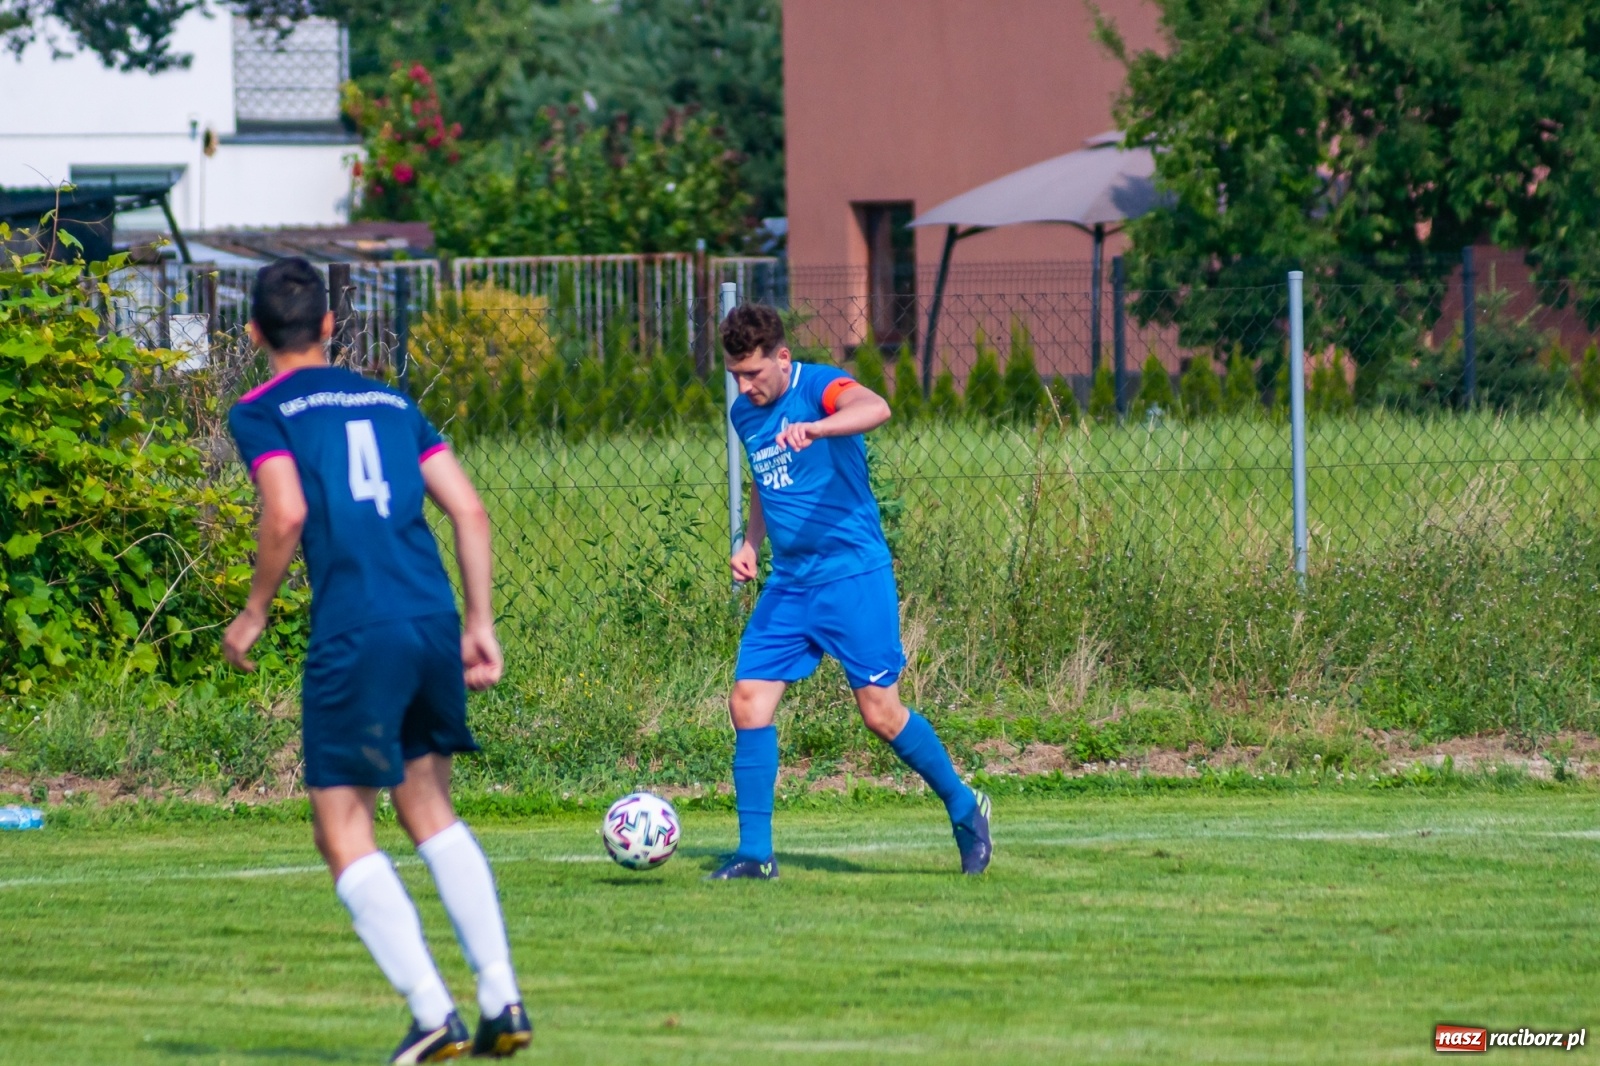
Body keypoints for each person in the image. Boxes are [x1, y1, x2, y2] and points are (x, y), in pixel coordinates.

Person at [222, 257, 532, 1063]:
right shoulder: (393, 401)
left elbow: (285, 511)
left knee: (342, 826)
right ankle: (501, 995)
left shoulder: (261, 410)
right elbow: (469, 508)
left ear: (254, 334)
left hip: (356, 629)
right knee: (430, 812)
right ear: (330, 326)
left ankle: (433, 1012)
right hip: (430, 619)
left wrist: (254, 611)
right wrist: (480, 620)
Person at [708, 303, 992, 881]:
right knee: (747, 702)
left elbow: (876, 406)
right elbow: (766, 477)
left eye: (754, 373)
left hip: (852, 573)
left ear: (783, 358)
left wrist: (818, 425)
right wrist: (751, 543)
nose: (744, 385)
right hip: (789, 582)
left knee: (880, 714)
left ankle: (965, 807)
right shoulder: (745, 413)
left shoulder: (818, 387)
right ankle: (756, 856)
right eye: (736, 375)